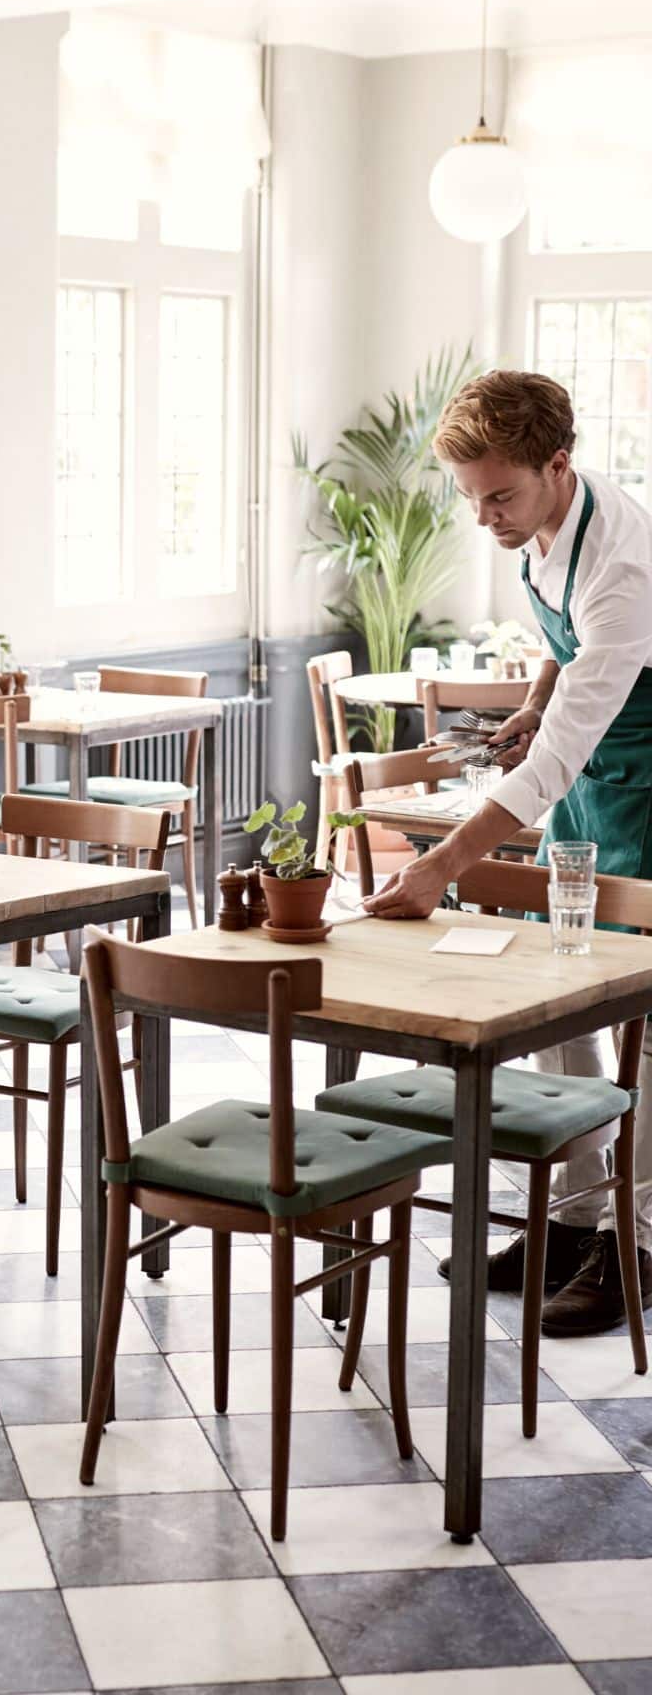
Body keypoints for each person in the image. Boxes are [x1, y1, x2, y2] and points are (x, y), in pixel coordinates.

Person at [364, 369, 652, 1336]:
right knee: (564, 977)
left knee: (648, 1025)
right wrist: (533, 701)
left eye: (501, 496)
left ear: (557, 465)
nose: (486, 518)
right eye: (472, 498)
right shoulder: (545, 527)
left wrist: (444, 863)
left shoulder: (626, 562)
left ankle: (636, 1244)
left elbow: (567, 743)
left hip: (645, 789)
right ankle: (571, 1221)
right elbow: (566, 654)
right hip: (593, 786)